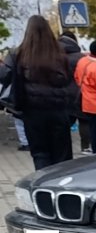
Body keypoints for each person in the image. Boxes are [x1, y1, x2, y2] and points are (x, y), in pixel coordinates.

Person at [7, 15, 76, 169]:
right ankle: (61, 183)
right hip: (58, 111)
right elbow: (70, 85)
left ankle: (44, 182)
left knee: (40, 154)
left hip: (33, 112)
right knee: (62, 155)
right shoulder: (60, 54)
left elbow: (6, 75)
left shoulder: (20, 55)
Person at [59, 29, 87, 153]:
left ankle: (63, 147)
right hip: (80, 92)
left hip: (63, 93)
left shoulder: (56, 58)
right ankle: (86, 146)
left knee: (64, 123)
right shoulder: (82, 58)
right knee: (84, 121)